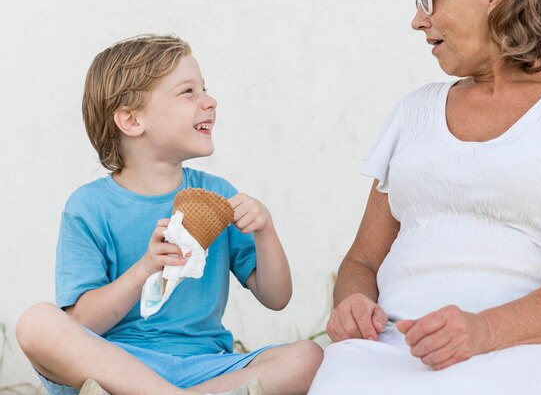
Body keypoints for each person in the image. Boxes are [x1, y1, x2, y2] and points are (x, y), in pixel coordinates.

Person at [308, 0, 541, 393]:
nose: (418, 20)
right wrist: (353, 302)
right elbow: (362, 258)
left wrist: (481, 332)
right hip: (392, 346)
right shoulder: (414, 111)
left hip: (530, 349)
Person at [16, 35, 323, 395]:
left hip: (208, 366)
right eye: (188, 92)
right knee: (37, 323)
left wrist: (265, 230)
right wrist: (144, 269)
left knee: (308, 356)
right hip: (119, 368)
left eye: (204, 88)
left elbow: (276, 297)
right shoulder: (89, 206)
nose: (210, 101)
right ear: (131, 120)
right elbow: (82, 323)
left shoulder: (219, 194)